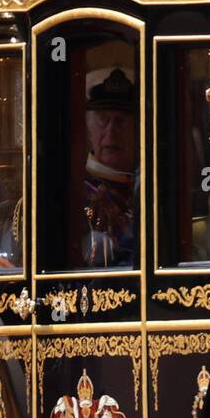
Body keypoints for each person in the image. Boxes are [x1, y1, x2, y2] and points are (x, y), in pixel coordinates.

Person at [81, 66, 137, 268]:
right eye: (103, 120)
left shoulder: (150, 186)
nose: (111, 132)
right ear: (88, 128)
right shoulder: (78, 194)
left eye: (122, 122)